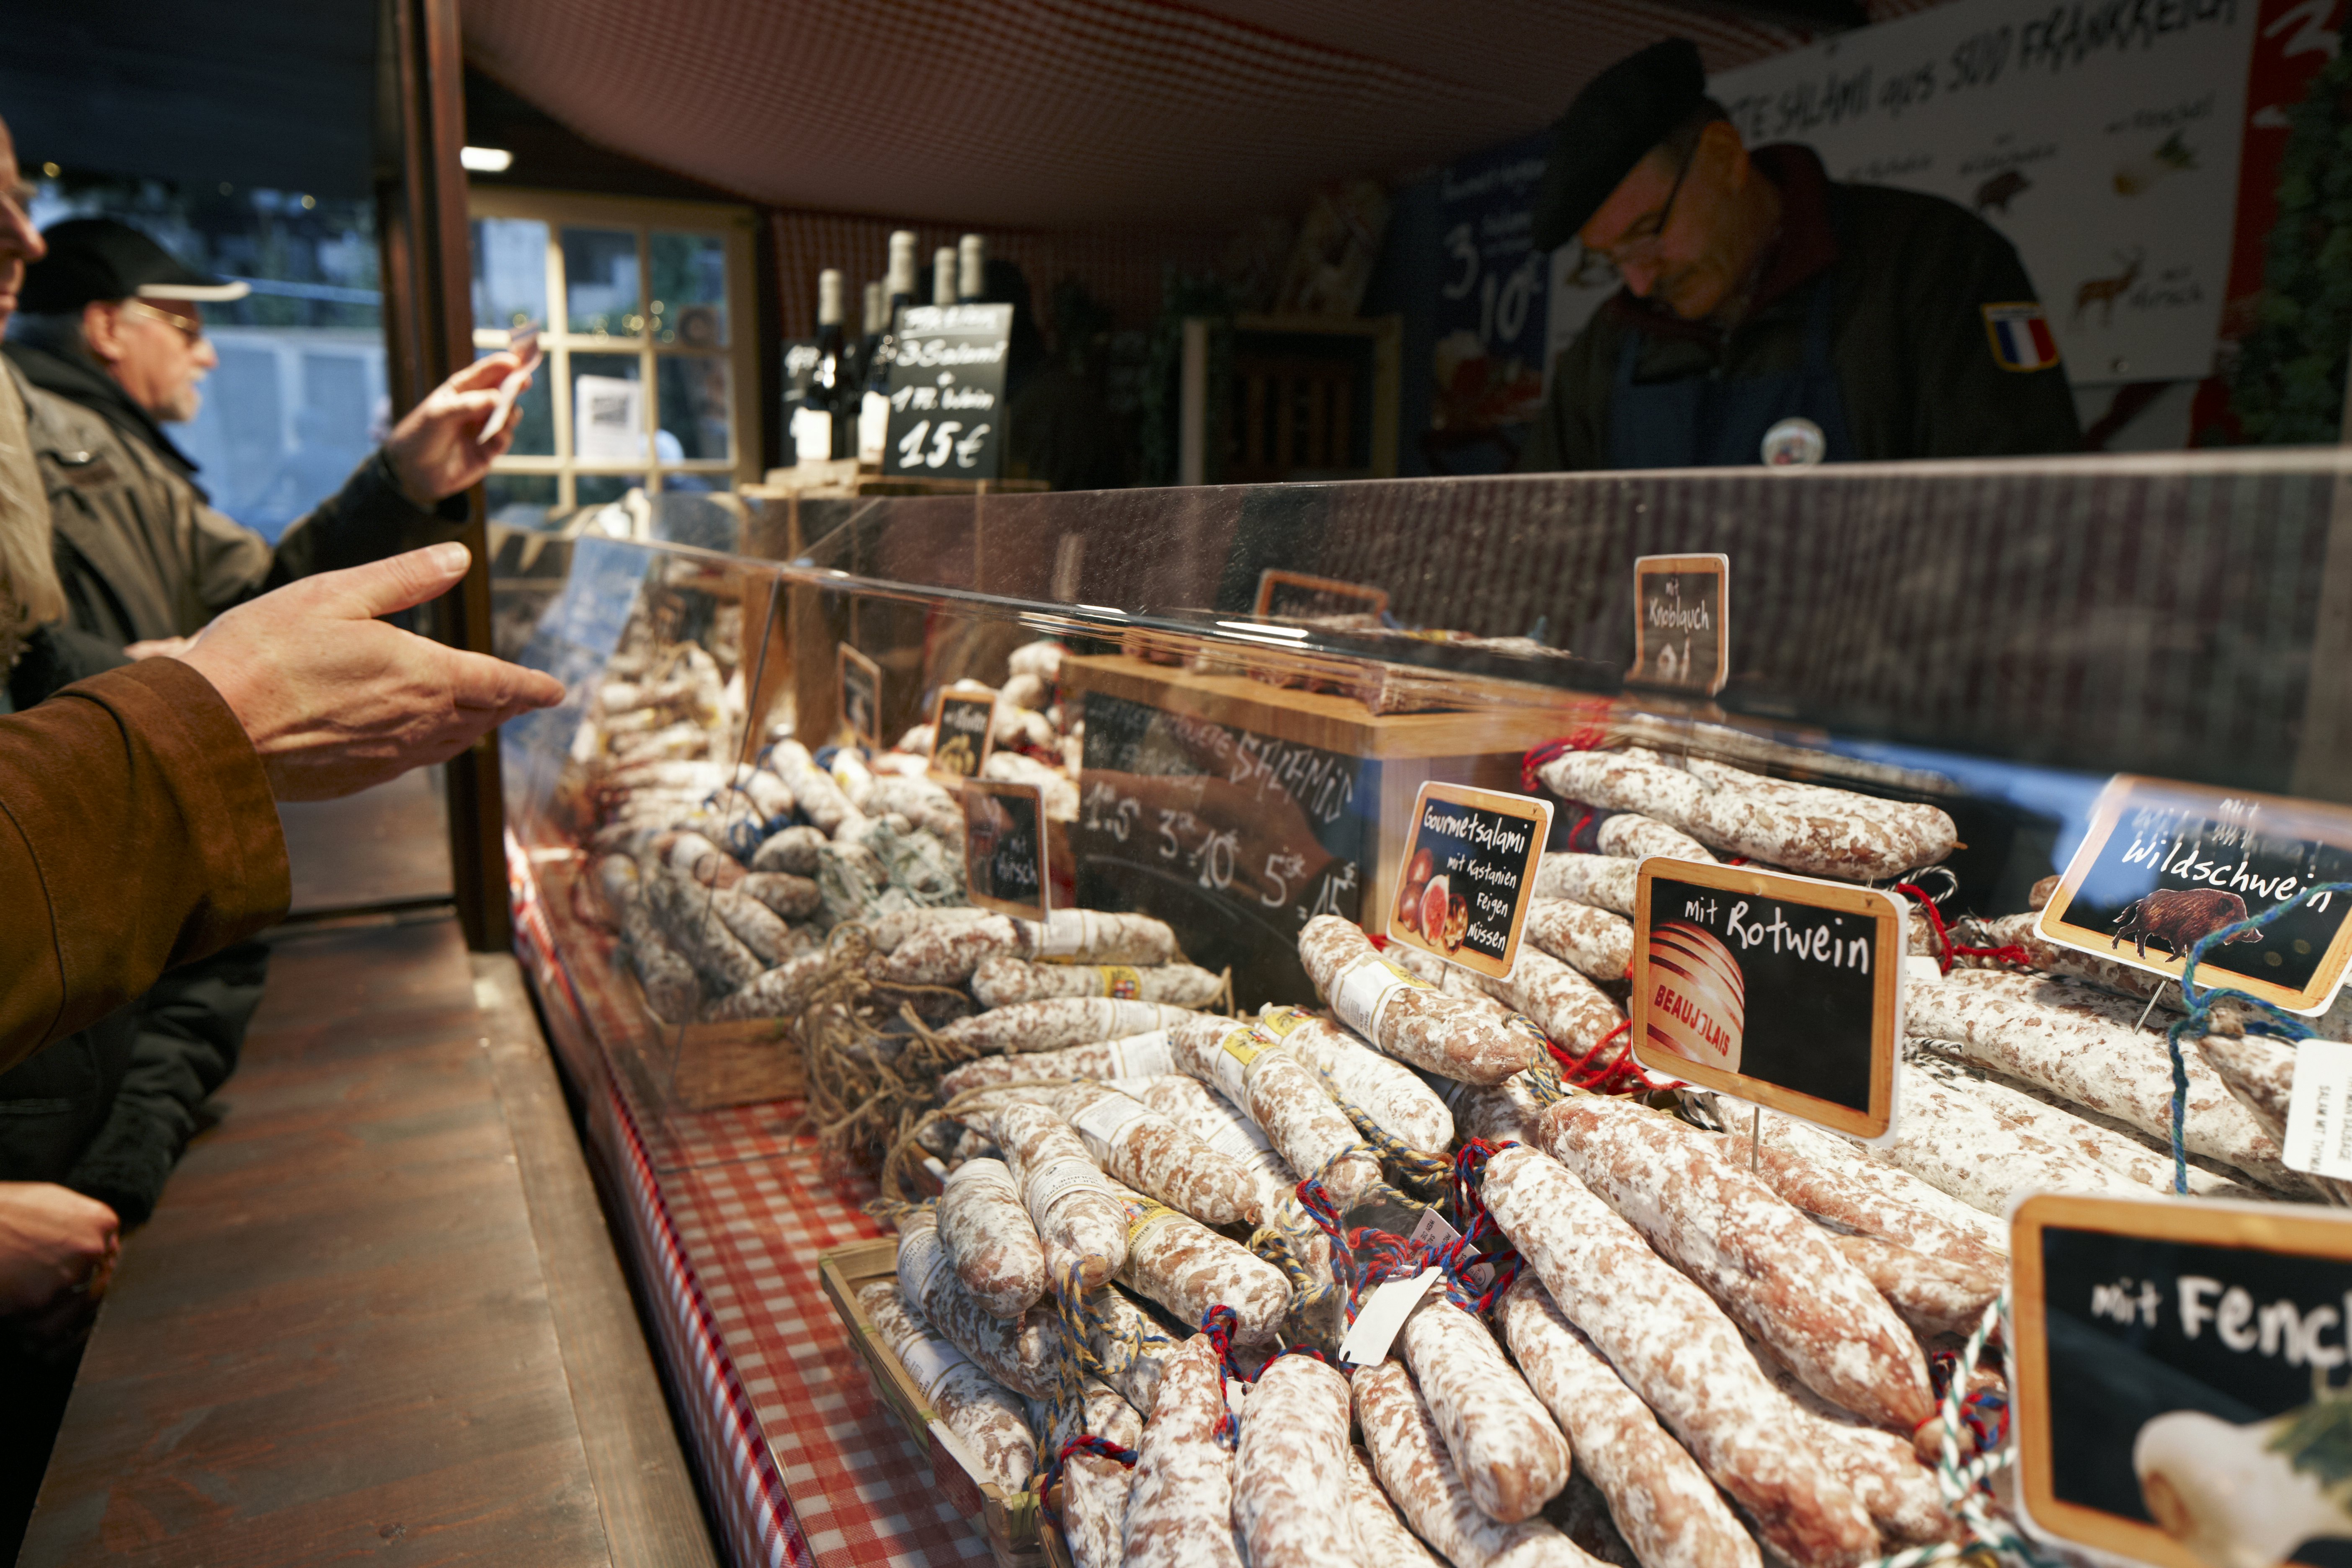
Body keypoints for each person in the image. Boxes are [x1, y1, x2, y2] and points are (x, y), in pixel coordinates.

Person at [1520, 38, 2082, 472]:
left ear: (1723, 157)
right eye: (1612, 258)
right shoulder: (1609, 348)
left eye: (1648, 234)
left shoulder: (1938, 265)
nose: (1639, 282)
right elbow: (1544, 547)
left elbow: (2023, 520)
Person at [6, 215, 531, 650]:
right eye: (187, 330)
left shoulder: (120, 454)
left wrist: (405, 481)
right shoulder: (54, 446)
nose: (207, 356)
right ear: (107, 329)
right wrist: (143, 685)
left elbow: (264, 593)